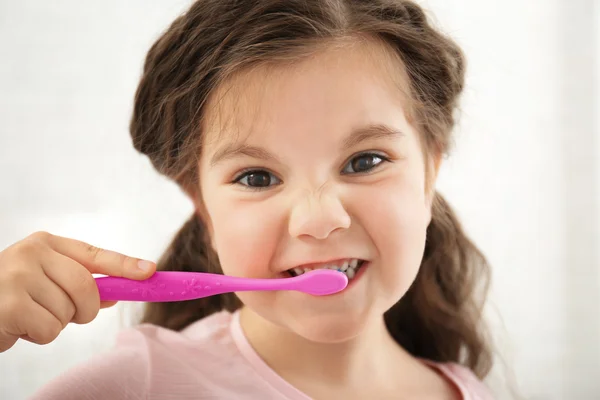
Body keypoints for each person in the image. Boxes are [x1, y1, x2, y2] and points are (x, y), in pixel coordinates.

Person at [0, 0, 495, 398]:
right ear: (200, 202)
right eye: (257, 177)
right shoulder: (127, 390)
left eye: (365, 161)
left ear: (430, 170)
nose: (319, 220)